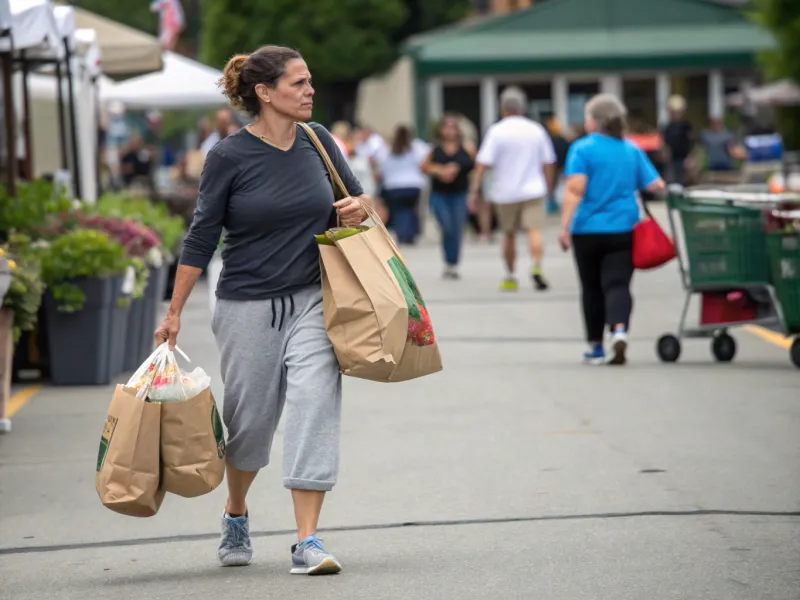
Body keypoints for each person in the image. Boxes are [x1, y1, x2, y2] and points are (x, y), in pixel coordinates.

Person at [154, 45, 369, 575]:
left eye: (310, 81)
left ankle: (307, 541)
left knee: (315, 405)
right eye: (299, 83)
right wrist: (174, 311)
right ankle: (235, 511)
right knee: (249, 423)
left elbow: (360, 202)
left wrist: (359, 207)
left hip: (315, 300)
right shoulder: (228, 157)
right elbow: (202, 237)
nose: (310, 91)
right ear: (264, 93)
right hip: (247, 304)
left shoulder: (320, 143)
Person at [558, 93, 665, 365]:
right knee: (618, 284)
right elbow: (656, 186)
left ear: (594, 122)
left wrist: (564, 226)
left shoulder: (582, 149)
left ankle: (596, 346)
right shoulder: (631, 149)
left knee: (591, 288)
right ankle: (619, 330)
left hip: (587, 230)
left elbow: (575, 189)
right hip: (623, 228)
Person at [469, 86, 556, 291]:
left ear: (503, 108)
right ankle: (536, 265)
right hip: (534, 189)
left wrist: (474, 189)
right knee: (534, 229)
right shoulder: (536, 130)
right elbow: (549, 161)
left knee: (509, 234)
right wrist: (549, 186)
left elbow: (483, 162)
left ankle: (510, 274)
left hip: (505, 191)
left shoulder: (497, 131)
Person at [422, 114, 475, 279]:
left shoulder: (467, 148)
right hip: (440, 194)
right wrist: (440, 170)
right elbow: (424, 167)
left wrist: (474, 192)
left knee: (457, 227)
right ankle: (448, 260)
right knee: (446, 225)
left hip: (459, 193)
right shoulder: (434, 149)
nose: (449, 131)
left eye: (453, 127)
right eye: (446, 127)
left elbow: (475, 169)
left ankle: (452, 263)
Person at [378, 124, 428, 244]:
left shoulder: (388, 148)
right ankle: (409, 233)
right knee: (410, 209)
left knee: (399, 210)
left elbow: (381, 167)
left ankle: (402, 233)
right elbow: (424, 163)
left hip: (393, 185)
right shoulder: (417, 147)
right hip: (412, 184)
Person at [661, 95, 694, 186]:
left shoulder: (686, 126)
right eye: (673, 112)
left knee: (683, 182)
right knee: (672, 182)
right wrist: (664, 152)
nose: (675, 114)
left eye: (677, 112)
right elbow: (665, 142)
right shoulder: (667, 127)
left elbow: (691, 142)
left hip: (684, 158)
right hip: (671, 159)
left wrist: (690, 157)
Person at [545, 117, 571, 215]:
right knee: (557, 185)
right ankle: (553, 202)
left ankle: (552, 202)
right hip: (560, 165)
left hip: (555, 166)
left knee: (552, 185)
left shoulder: (549, 140)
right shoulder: (562, 140)